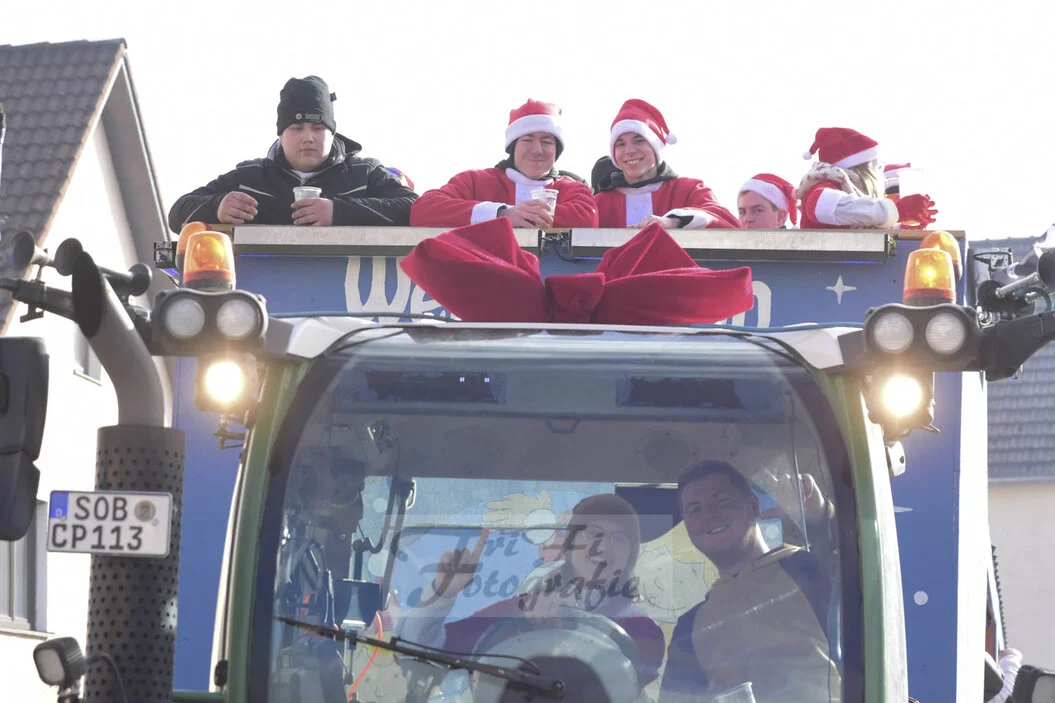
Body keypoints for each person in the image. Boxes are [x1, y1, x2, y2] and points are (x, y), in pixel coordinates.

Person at [396, 494, 665, 690]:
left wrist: (557, 633)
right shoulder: (517, 612)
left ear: (631, 555)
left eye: (619, 538)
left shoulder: (641, 629)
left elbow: (608, 685)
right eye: (593, 533)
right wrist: (442, 592)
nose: (603, 547)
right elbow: (420, 652)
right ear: (570, 544)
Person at [660, 461, 840, 702]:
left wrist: (822, 514)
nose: (709, 514)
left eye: (722, 501)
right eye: (694, 509)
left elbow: (867, 571)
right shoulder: (690, 627)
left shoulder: (807, 569)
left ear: (753, 506)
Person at [167, 76, 416, 232]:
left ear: (332, 134)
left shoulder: (365, 174)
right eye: (297, 128)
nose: (308, 137)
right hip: (264, 294)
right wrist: (217, 207)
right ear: (281, 135)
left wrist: (338, 212)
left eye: (317, 128)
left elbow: (413, 207)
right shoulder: (250, 177)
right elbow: (177, 213)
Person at [409, 99, 599, 229]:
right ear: (512, 146)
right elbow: (423, 210)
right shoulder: (475, 181)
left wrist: (524, 215)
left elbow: (588, 218)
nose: (537, 150)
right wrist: (501, 214)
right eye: (527, 140)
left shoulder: (571, 188)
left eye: (547, 142)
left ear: (557, 150)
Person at [594, 99, 739, 230]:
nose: (630, 151)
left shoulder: (689, 190)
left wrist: (674, 221)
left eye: (639, 141)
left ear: (655, 147)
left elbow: (728, 223)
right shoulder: (599, 204)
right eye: (620, 144)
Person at [795, 127, 936, 230]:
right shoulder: (827, 184)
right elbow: (820, 205)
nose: (879, 174)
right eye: (875, 166)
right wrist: (896, 210)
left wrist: (899, 229)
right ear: (861, 170)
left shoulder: (840, 188)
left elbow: (858, 224)